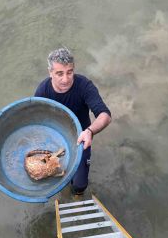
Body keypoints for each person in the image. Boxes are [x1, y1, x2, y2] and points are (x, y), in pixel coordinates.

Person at [34, 48, 112, 196]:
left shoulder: (84, 86)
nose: (66, 79)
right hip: (55, 137)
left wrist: (89, 131)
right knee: (49, 176)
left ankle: (76, 197)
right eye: (59, 73)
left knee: (79, 184)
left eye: (70, 72)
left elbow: (105, 115)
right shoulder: (42, 91)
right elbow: (38, 119)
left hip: (81, 138)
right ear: (50, 72)